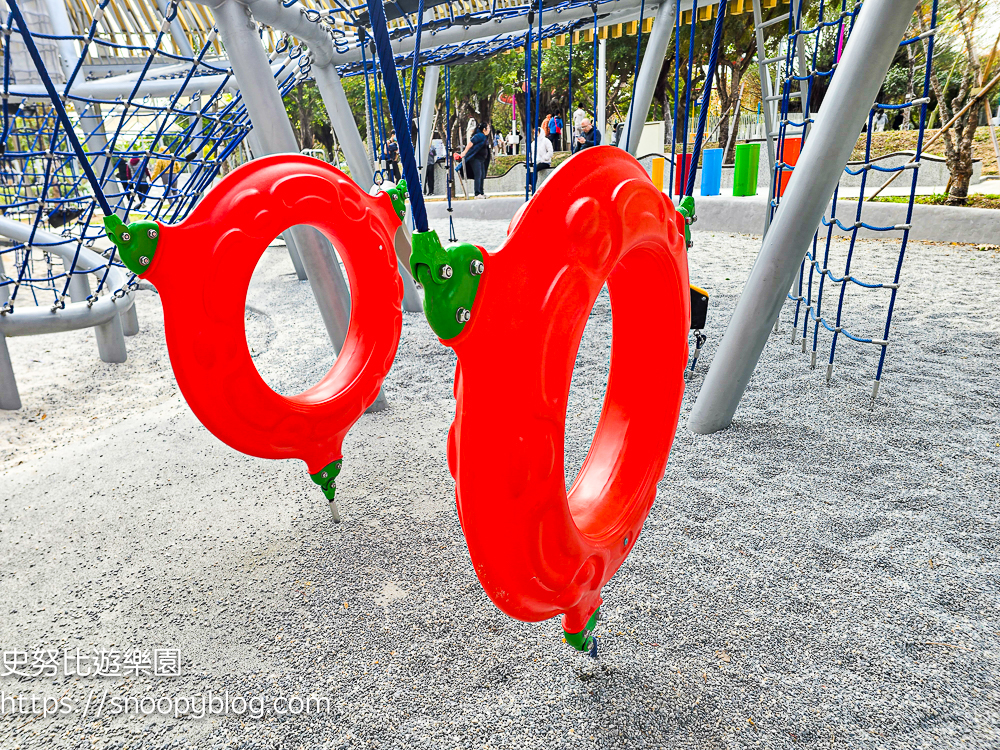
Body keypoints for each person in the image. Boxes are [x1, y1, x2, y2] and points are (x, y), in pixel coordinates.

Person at [458, 122, 490, 198]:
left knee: (482, 175)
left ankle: (481, 193)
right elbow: (470, 143)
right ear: (484, 129)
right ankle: (477, 193)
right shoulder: (479, 136)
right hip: (476, 159)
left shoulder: (484, 137)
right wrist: (464, 152)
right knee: (478, 175)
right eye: (488, 128)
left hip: (482, 159)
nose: (489, 130)